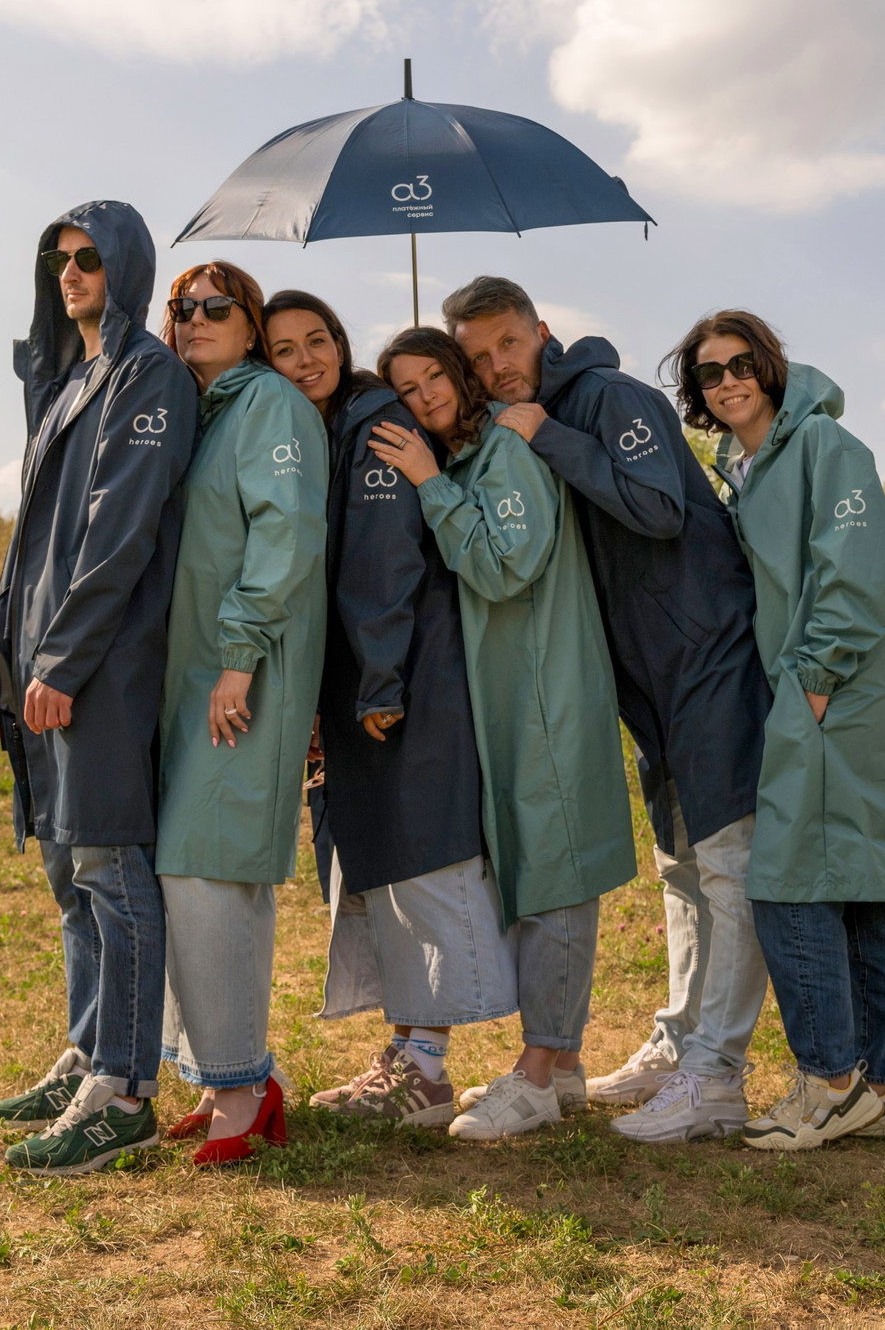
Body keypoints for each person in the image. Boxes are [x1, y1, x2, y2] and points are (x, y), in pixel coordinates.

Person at [446, 277, 772, 1144]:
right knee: (681, 867)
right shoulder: (517, 429)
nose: (495, 366)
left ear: (541, 333)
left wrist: (550, 435)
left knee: (729, 864)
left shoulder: (608, 399)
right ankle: (678, 1041)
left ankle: (717, 1074)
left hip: (709, 653)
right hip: (644, 679)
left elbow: (662, 509)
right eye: (477, 357)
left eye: (507, 344)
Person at [367, 327, 637, 1141]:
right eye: (405, 390)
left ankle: (538, 1073)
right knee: (533, 869)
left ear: (460, 372)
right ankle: (566, 1062)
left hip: (547, 693)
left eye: (432, 378)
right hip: (510, 699)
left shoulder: (505, 456)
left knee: (555, 873)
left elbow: (507, 564)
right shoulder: (466, 461)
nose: (423, 398)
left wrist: (427, 484)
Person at [0, 202, 197, 1177]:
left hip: (103, 668)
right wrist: (2, 658)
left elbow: (117, 534)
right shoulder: (70, 384)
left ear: (127, 267)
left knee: (111, 870)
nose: (70, 272)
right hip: (40, 670)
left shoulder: (149, 376)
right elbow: (31, 541)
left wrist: (61, 660)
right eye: (58, 259)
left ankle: (127, 1090)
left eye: (89, 257)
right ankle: (84, 1054)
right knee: (69, 877)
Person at [672, 309, 885, 1152]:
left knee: (786, 882)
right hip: (820, 690)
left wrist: (813, 681)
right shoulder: (744, 469)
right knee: (853, 883)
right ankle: (880, 1090)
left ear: (771, 366)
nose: (728, 380)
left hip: (840, 688)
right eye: (710, 373)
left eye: (742, 363)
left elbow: (855, 568)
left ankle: (828, 1079)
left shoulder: (824, 447)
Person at [264, 293, 514, 1129]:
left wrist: (375, 685)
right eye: (285, 349)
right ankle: (406, 1052)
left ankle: (428, 1067)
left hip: (403, 688)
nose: (304, 360)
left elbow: (383, 568)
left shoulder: (372, 430)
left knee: (419, 864)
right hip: (372, 688)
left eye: (317, 341)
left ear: (340, 343)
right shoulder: (330, 430)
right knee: (385, 871)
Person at [151, 262, 328, 1165]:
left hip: (243, 673)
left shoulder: (272, 407)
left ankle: (244, 1087)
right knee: (197, 870)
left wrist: (239, 654)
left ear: (251, 324)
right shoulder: (205, 413)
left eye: (217, 306)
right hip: (192, 680)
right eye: (182, 308)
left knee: (208, 867)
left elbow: (287, 531)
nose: (195, 318)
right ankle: (229, 1080)